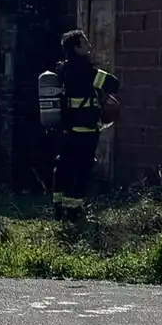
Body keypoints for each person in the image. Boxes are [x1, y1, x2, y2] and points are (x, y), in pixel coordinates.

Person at [51, 29, 120, 227]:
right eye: (85, 43)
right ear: (76, 48)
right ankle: (74, 212)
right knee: (81, 170)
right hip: (85, 129)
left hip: (66, 128)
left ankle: (59, 208)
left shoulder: (61, 69)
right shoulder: (87, 71)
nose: (89, 47)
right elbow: (114, 84)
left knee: (63, 166)